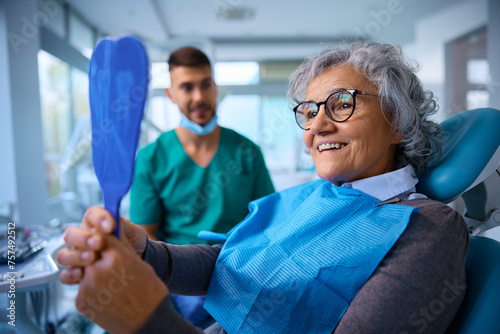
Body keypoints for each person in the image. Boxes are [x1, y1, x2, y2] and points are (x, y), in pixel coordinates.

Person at [57, 41, 468, 334]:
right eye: (308, 111)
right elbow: (232, 259)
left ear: (397, 120)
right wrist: (146, 251)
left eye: (342, 104)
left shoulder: (429, 230)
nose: (318, 126)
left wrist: (150, 322)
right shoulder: (315, 195)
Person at [129, 46, 275, 326]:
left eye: (205, 84)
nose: (199, 97)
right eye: (186, 87)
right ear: (171, 95)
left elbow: (267, 225)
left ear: (215, 87)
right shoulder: (151, 159)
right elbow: (145, 242)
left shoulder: (247, 152)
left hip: (239, 272)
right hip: (176, 276)